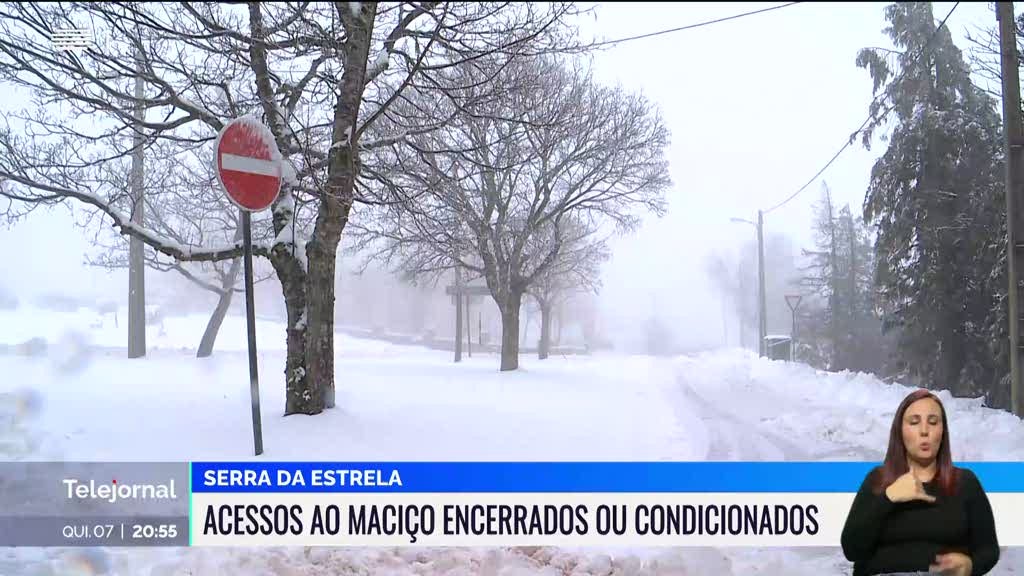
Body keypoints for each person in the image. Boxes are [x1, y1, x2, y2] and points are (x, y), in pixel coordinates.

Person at [840, 388, 1000, 576]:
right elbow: (852, 549)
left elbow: (988, 550)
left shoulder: (965, 482)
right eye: (914, 422)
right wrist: (889, 497)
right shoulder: (878, 480)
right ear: (900, 431)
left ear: (943, 432)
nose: (924, 431)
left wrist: (970, 566)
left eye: (933, 422)